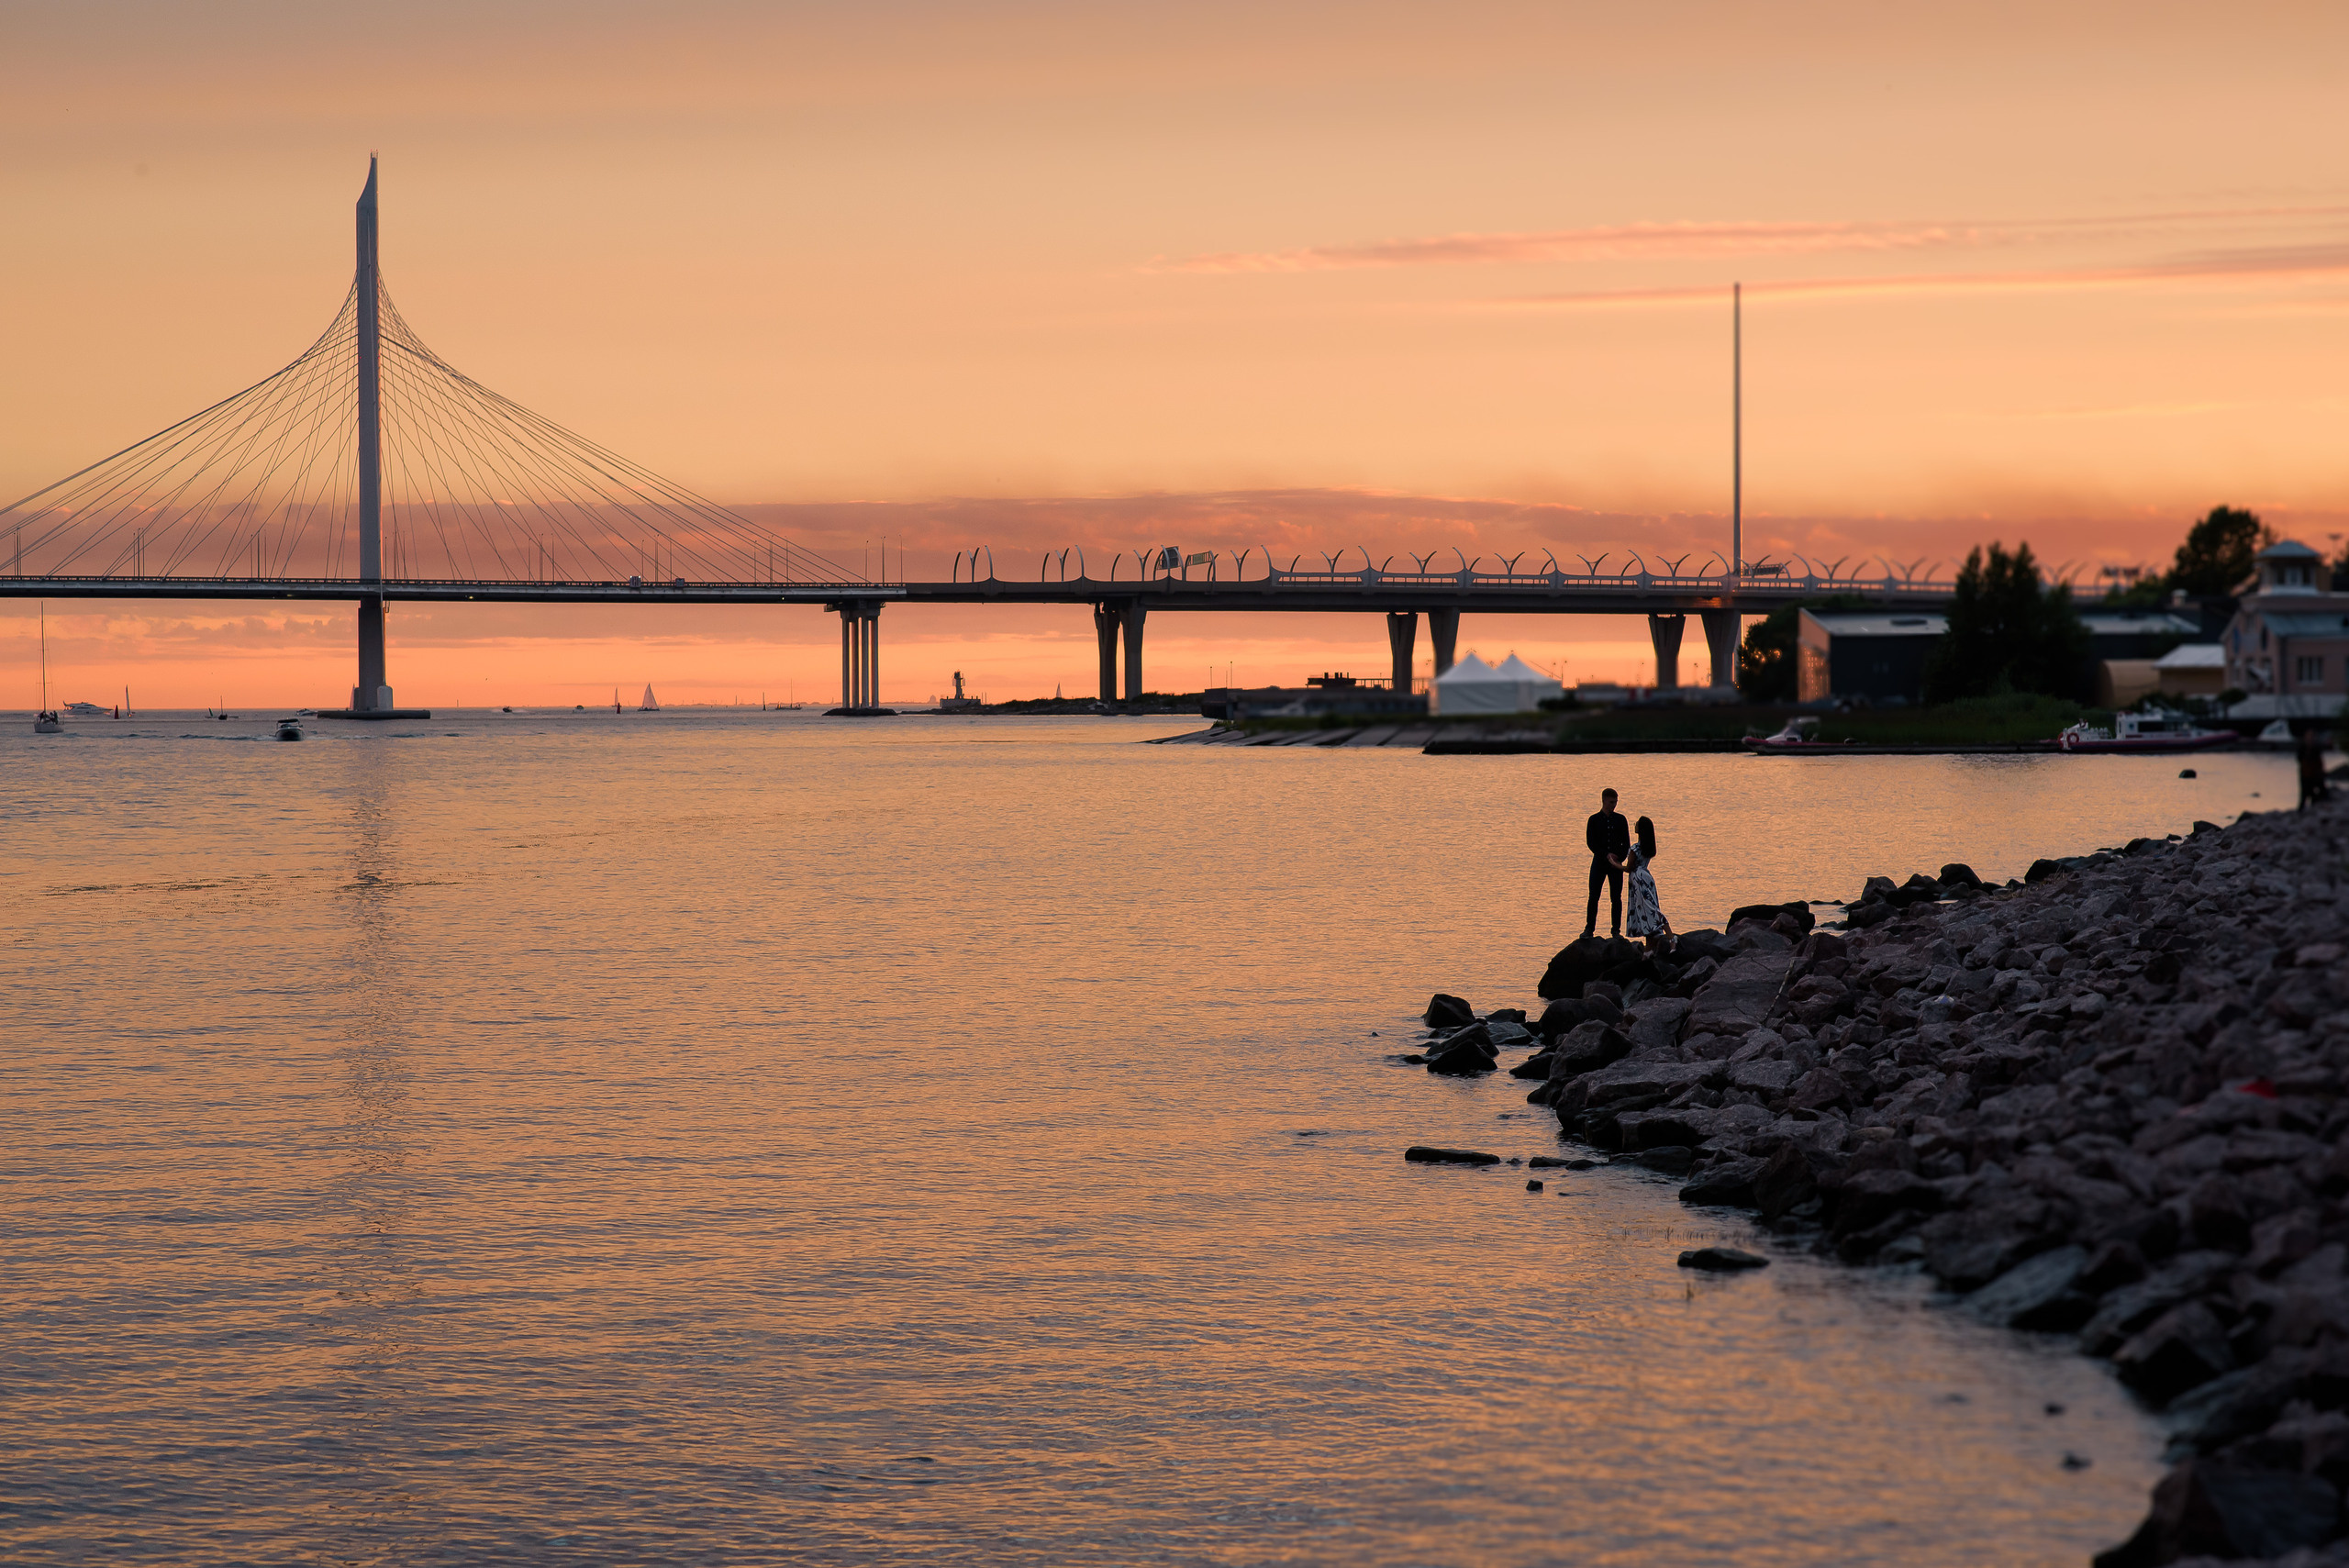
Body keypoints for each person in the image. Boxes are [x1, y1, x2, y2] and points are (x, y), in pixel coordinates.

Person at [1615, 816, 1671, 951]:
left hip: (1638, 879)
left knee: (1647, 909)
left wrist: (1614, 864)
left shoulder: (1635, 848)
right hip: (1647, 876)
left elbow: (1629, 868)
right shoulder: (1648, 847)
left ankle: (1670, 936)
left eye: (1637, 824)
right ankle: (1649, 948)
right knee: (1648, 908)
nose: (1635, 826)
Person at [1582, 787, 1630, 938]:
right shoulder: (1594, 820)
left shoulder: (1621, 819)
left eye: (1615, 802)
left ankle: (1616, 931)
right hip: (1599, 863)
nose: (1613, 805)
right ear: (1603, 801)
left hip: (1616, 865)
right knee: (1594, 896)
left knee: (1616, 898)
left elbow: (1626, 844)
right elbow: (1591, 843)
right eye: (1611, 802)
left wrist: (1619, 858)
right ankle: (1589, 929)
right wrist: (1605, 855)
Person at [2299, 726, 2330, 810]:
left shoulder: (2316, 749)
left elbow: (2319, 762)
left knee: (2319, 792)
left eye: (2312, 736)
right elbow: (2300, 761)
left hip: (2315, 775)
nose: (2310, 738)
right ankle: (2302, 810)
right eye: (2308, 736)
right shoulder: (2302, 748)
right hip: (2305, 775)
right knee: (2304, 794)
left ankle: (2314, 808)